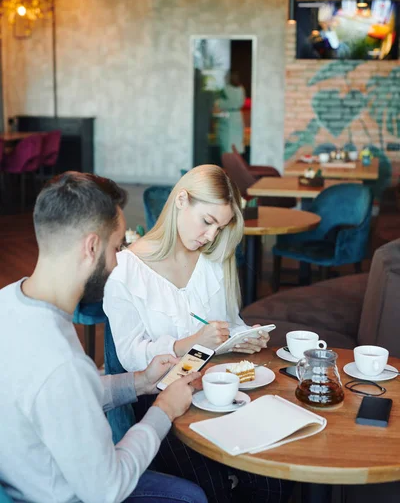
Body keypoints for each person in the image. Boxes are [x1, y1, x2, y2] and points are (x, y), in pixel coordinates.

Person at [0, 171, 206, 503]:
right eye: (117, 246)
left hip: (23, 474)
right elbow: (108, 490)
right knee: (192, 497)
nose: (117, 261)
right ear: (92, 246)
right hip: (64, 494)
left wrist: (141, 381)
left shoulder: (8, 303)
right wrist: (164, 409)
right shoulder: (60, 363)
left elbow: (65, 399)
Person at [103, 165, 293, 503]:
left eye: (219, 228)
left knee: (273, 480)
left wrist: (242, 336)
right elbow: (131, 355)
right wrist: (191, 343)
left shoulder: (213, 260)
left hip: (219, 385)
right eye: (207, 221)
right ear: (181, 200)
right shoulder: (125, 271)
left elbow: (227, 323)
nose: (211, 236)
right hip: (162, 398)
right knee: (213, 488)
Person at [215, 70, 245, 154]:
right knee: (236, 144)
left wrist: (218, 103)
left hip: (228, 117)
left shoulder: (225, 88)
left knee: (227, 145)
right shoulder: (241, 88)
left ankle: (229, 164)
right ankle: (236, 164)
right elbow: (241, 102)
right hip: (237, 116)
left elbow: (220, 103)